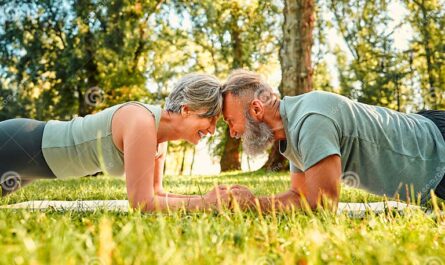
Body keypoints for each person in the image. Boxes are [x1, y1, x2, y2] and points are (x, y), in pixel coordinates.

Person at [0, 73, 231, 212]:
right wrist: (206, 203)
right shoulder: (141, 122)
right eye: (209, 119)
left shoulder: (159, 142)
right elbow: (142, 204)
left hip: (31, 168)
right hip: (19, 145)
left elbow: (156, 193)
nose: (212, 130)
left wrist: (210, 198)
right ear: (187, 110)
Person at [221, 69, 445, 211]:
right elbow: (299, 196)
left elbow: (323, 203)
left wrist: (252, 204)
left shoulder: (311, 120)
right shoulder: (292, 129)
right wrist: (250, 202)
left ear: (257, 109)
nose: (233, 132)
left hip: (437, 144)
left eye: (231, 121)